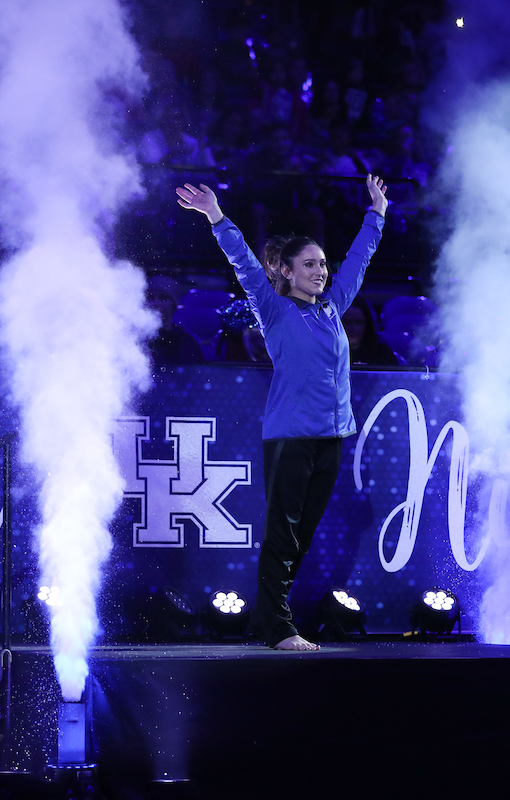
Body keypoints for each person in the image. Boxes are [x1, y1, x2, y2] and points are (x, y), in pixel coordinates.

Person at [176, 174, 388, 651]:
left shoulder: (333, 308)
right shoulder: (274, 310)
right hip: (290, 436)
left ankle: (273, 618)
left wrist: (376, 213)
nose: (321, 271)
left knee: (301, 538)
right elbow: (244, 265)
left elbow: (358, 261)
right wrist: (216, 216)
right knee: (281, 534)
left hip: (332, 437)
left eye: (322, 264)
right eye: (310, 264)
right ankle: (278, 627)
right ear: (287, 272)